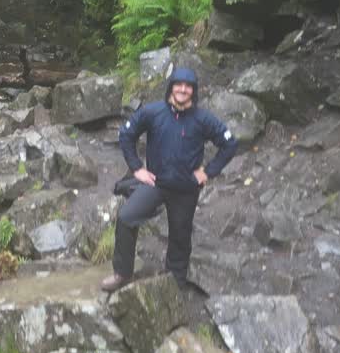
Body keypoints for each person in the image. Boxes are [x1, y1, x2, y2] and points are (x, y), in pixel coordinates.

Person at [101, 66, 238, 292]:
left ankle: (174, 283)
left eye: (188, 86)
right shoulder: (153, 112)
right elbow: (126, 134)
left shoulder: (203, 119)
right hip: (156, 183)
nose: (183, 90)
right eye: (178, 85)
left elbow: (230, 143)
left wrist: (207, 172)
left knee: (180, 234)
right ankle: (122, 273)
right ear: (171, 87)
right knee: (126, 217)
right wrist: (137, 168)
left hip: (186, 188)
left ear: (193, 91)